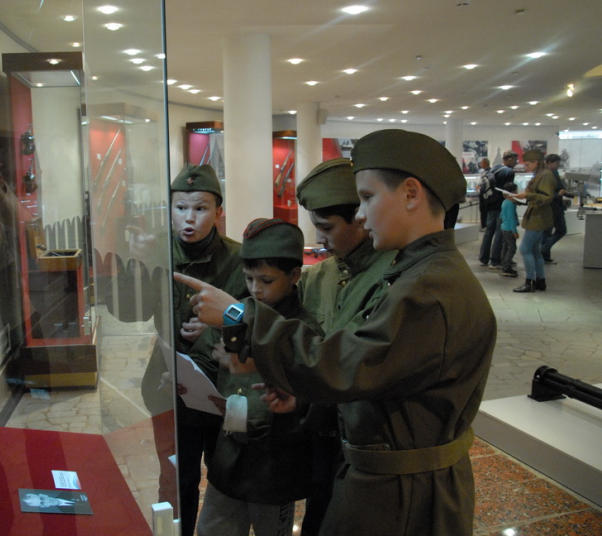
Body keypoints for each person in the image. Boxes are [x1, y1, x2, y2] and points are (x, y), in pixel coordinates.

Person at [175, 129, 497, 536]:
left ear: (411, 194)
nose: (360, 215)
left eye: (368, 197)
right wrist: (304, 398)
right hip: (381, 479)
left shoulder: (428, 290)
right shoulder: (420, 275)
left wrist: (238, 314)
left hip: (405, 496)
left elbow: (346, 365)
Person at [106, 163, 248, 536]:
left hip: (222, 386)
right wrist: (135, 263)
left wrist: (219, 325)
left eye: (201, 208)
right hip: (169, 384)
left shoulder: (237, 258)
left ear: (218, 212)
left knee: (225, 477)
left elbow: (254, 316)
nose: (189, 218)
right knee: (175, 477)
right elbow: (129, 312)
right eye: (181, 207)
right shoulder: (155, 250)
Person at [194, 218, 324, 536]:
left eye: (266, 280)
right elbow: (205, 356)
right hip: (228, 461)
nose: (255, 289)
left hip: (275, 467)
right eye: (249, 278)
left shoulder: (303, 332)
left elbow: (315, 398)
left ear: (294, 275)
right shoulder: (235, 314)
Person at [294, 158, 397, 535]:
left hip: (365, 442)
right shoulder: (319, 276)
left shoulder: (394, 278)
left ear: (360, 218)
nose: (320, 239)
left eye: (327, 228)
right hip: (319, 429)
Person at [507, 150, 556, 293]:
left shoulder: (545, 175)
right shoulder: (542, 174)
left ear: (536, 162)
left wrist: (527, 195)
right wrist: (521, 197)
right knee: (535, 250)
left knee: (525, 249)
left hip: (538, 216)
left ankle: (530, 282)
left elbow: (547, 197)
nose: (526, 167)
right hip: (537, 215)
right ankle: (540, 281)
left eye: (528, 164)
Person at [479, 150, 518, 268]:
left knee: (489, 231)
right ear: (510, 159)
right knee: (499, 232)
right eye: (515, 160)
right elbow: (508, 190)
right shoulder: (509, 172)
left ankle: (483, 258)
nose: (516, 162)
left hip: (490, 204)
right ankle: (495, 260)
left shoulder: (494, 168)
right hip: (501, 205)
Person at [540, 154, 567, 263]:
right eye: (556, 163)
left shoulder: (554, 173)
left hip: (556, 206)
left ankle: (544, 252)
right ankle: (544, 252)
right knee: (549, 231)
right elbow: (544, 194)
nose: (558, 165)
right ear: (549, 162)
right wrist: (558, 195)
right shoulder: (545, 175)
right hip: (550, 207)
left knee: (556, 231)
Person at [499, 181, 520, 278]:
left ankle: (504, 265)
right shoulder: (511, 204)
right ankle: (507, 268)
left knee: (505, 247)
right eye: (516, 191)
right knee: (512, 248)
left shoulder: (505, 202)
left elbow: (502, 215)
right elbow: (511, 219)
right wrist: (515, 231)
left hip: (504, 227)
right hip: (509, 229)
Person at [475, 157, 492, 230]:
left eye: (481, 163)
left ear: (485, 164)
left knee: (484, 210)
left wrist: (480, 186)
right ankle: (484, 224)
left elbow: (484, 183)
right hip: (484, 194)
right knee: (483, 210)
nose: (480, 164)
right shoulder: (485, 172)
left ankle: (485, 225)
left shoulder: (489, 173)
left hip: (485, 194)